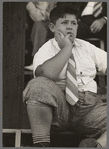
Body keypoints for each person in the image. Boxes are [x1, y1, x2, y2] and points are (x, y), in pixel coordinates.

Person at [23, 4, 107, 147]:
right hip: (59, 109)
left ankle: (96, 146)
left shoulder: (86, 47)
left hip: (89, 110)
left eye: (73, 23)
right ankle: (41, 144)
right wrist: (67, 48)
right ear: (52, 27)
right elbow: (46, 75)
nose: (70, 27)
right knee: (36, 85)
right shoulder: (46, 49)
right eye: (64, 22)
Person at [25, 2, 56, 70]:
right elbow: (38, 17)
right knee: (39, 24)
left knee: (40, 25)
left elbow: (50, 15)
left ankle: (37, 61)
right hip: (28, 25)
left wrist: (40, 13)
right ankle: (37, 61)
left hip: (45, 24)